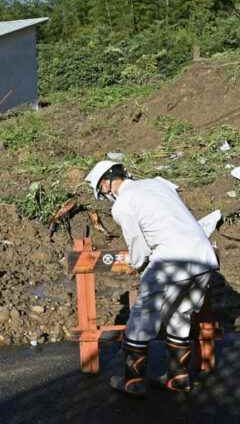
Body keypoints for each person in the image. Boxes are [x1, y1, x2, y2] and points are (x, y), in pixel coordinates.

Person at [84, 160, 219, 397]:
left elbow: (137, 244)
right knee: (181, 316)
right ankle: (179, 378)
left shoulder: (123, 203)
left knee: (141, 320)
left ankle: (132, 381)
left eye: (102, 190)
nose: (105, 195)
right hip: (203, 258)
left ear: (106, 183)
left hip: (170, 260)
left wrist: (139, 266)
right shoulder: (158, 184)